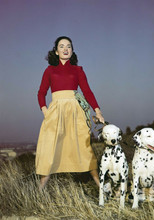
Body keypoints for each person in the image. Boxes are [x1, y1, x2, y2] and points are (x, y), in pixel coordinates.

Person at [36, 36, 104, 189]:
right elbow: (41, 92)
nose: (65, 49)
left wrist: (98, 112)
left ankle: (100, 186)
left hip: (76, 111)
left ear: (72, 51)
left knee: (84, 146)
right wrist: (45, 111)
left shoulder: (78, 70)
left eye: (69, 46)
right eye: (62, 46)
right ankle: (40, 190)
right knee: (49, 147)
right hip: (55, 112)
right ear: (56, 51)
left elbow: (87, 91)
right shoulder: (49, 70)